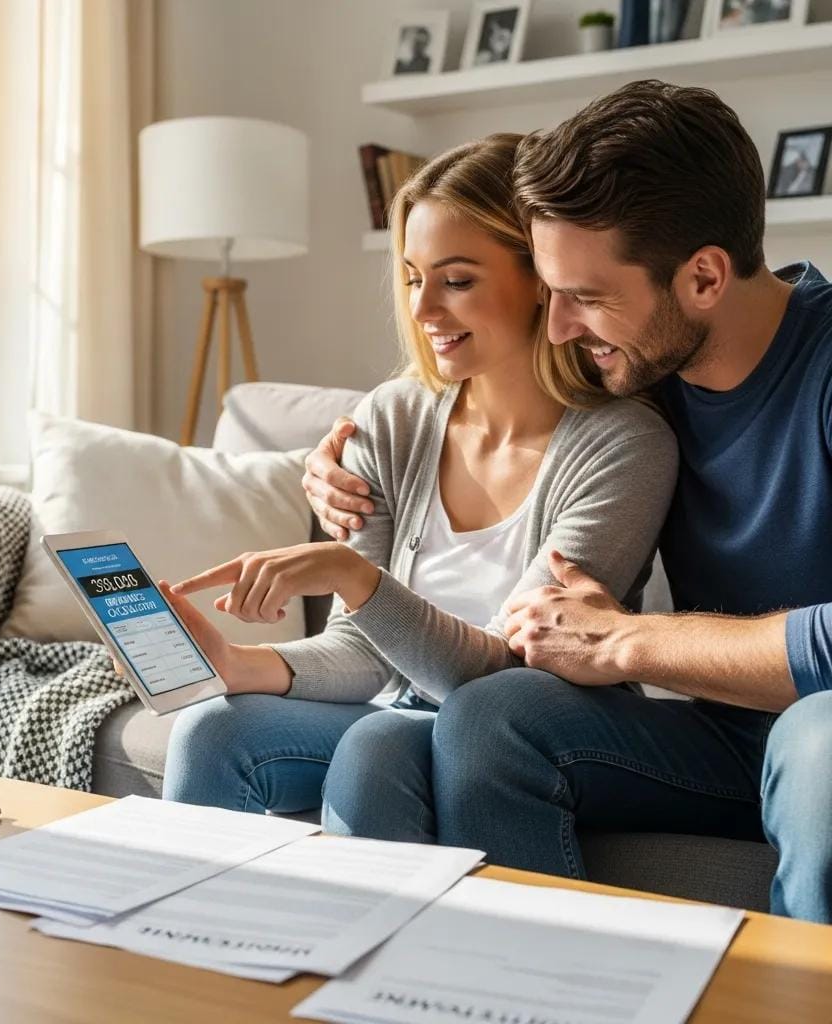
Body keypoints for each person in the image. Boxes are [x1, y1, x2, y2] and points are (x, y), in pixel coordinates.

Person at [304, 80, 832, 924]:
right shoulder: (646, 366)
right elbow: (468, 397)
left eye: (586, 298)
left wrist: (629, 639)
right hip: (719, 740)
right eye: (553, 294)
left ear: (703, 277)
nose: (559, 330)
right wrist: (334, 460)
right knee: (491, 716)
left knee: (824, 741)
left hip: (817, 736)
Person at [159, 133, 677, 835]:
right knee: (209, 730)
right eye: (412, 278)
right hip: (398, 713)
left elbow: (503, 676)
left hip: (530, 727)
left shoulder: (623, 446)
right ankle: (173, 941)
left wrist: (356, 578)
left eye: (457, 280)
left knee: (377, 748)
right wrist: (236, 662)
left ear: (541, 280)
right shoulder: (393, 418)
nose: (425, 310)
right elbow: (365, 653)